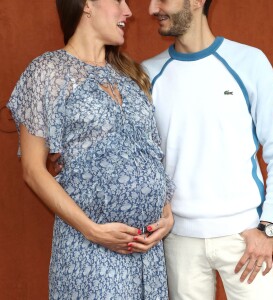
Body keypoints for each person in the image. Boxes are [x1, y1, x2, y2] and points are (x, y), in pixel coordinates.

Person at [7, 0, 175, 299]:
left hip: (147, 252)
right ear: (86, 5)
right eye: (117, 1)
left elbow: (150, 152)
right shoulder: (48, 72)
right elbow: (33, 170)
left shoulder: (131, 74)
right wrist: (92, 230)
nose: (128, 12)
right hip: (90, 249)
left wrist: (165, 214)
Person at [141, 0, 273, 299]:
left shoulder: (249, 62)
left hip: (245, 239)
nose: (152, 8)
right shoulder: (147, 74)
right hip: (178, 243)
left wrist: (268, 228)